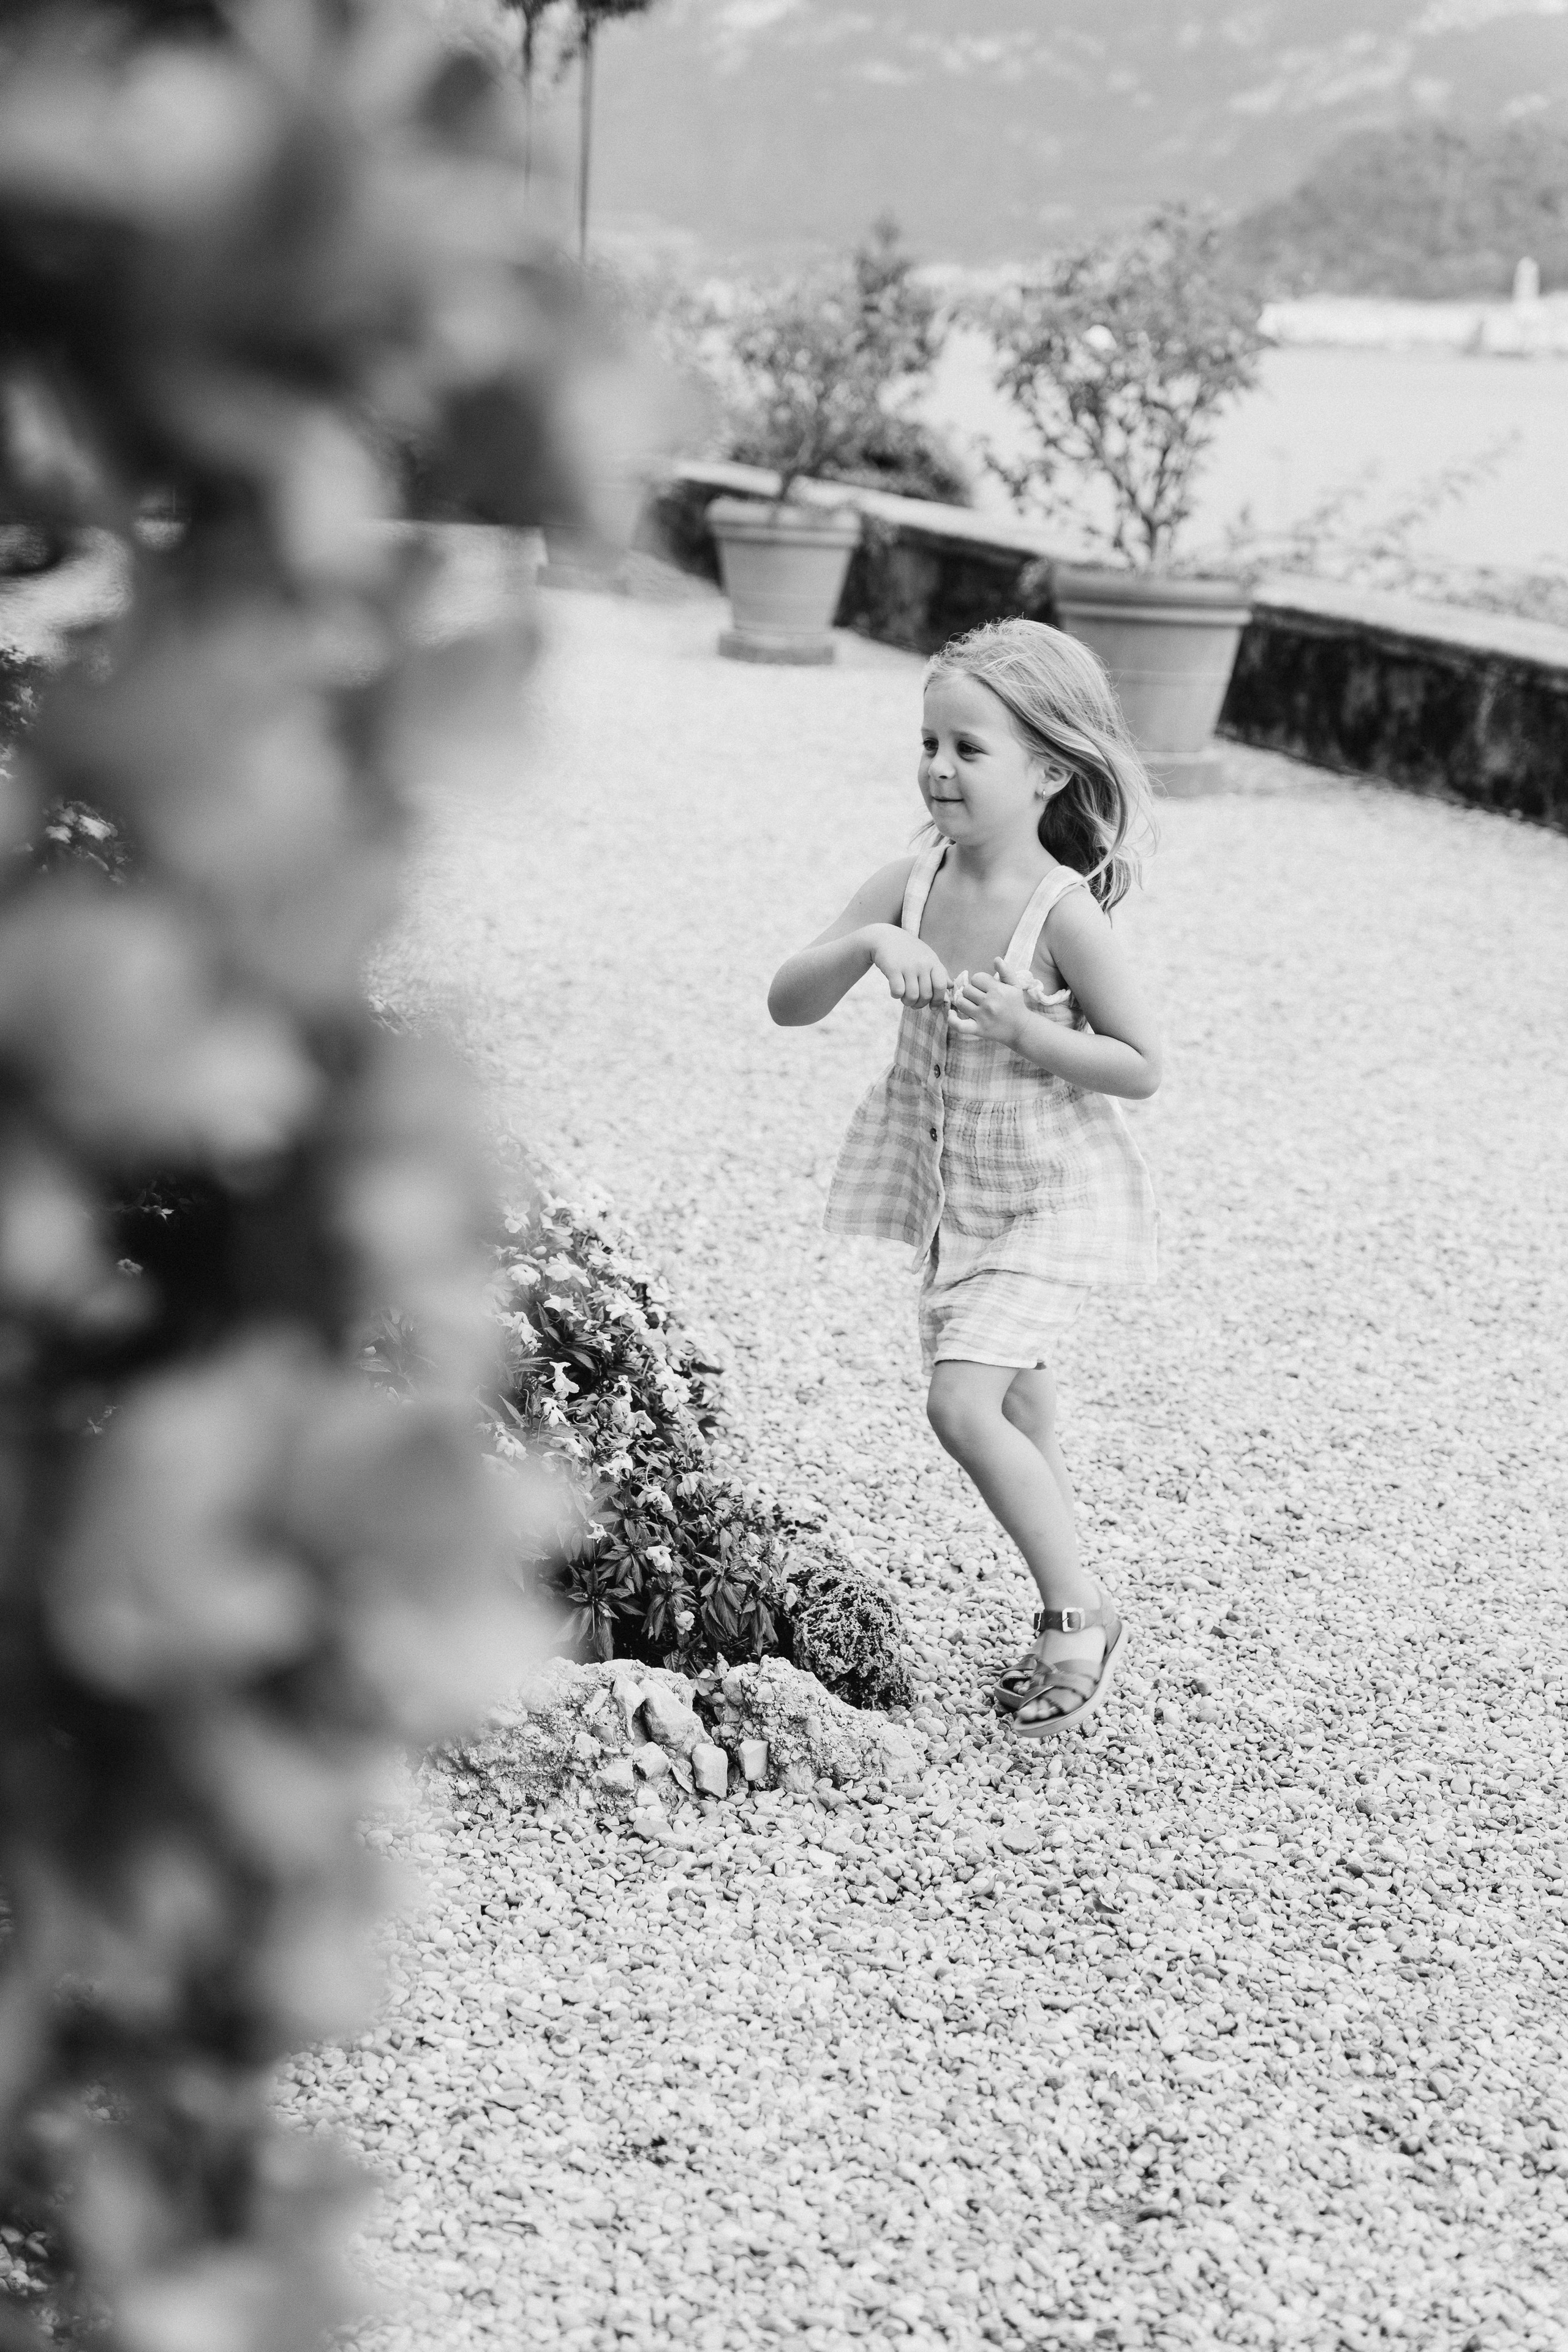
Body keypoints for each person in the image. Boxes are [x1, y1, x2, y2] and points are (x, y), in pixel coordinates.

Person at [767, 618, 1161, 1740]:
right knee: (1020, 1400)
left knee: (960, 1401)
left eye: (969, 749)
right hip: (958, 1200)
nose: (939, 768)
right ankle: (1084, 1587)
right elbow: (786, 1001)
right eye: (929, 744)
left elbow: (1142, 1065)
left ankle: (1074, 1616)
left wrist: (1033, 1033)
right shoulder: (911, 881)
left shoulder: (1060, 913)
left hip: (1050, 1197)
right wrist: (866, 948)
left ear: (1049, 771)